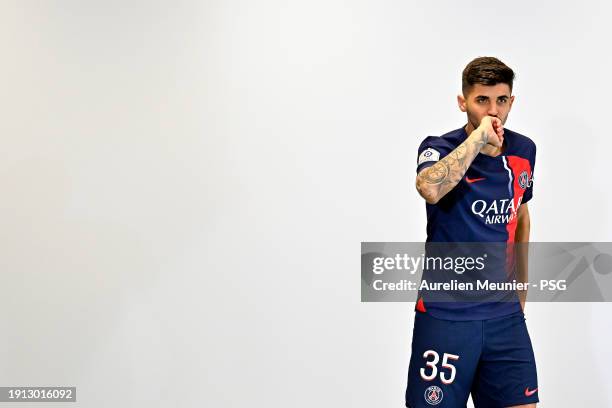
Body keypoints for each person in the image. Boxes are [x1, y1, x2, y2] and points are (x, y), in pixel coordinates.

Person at [405, 57, 538, 408]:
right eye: (482, 100)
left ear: (512, 101)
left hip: (504, 318)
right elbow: (430, 188)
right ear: (463, 102)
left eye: (502, 100)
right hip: (445, 317)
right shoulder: (439, 147)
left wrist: (520, 295)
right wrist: (478, 139)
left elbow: (521, 217)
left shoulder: (524, 151)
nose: (493, 110)